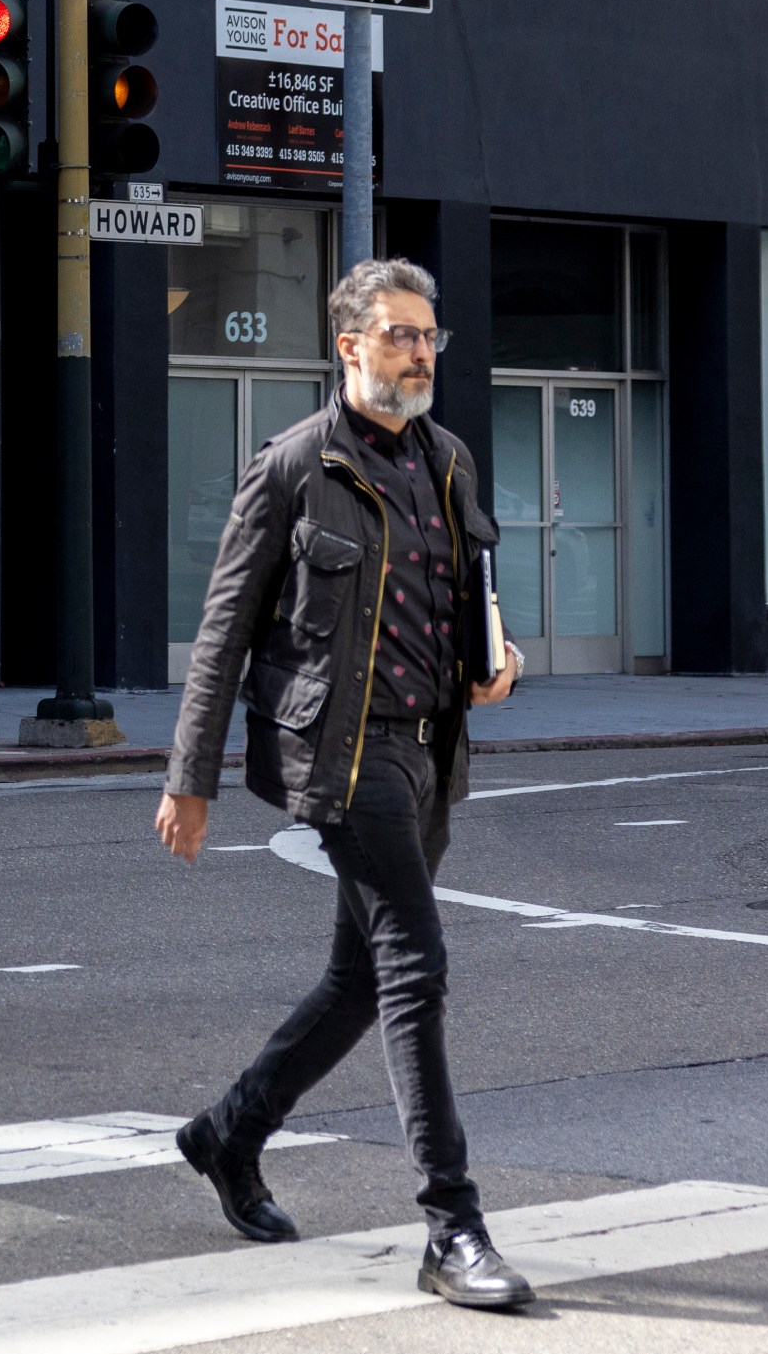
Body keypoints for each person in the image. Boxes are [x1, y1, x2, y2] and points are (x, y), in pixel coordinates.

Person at [156, 255, 532, 1310]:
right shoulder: (293, 466)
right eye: (401, 334)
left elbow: (472, 594)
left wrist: (501, 657)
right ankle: (451, 1223)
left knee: (358, 979)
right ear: (350, 344)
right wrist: (192, 775)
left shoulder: (449, 459)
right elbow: (224, 629)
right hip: (342, 756)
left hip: (431, 749)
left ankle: (228, 1132)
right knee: (415, 964)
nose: (420, 353)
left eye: (429, 336)